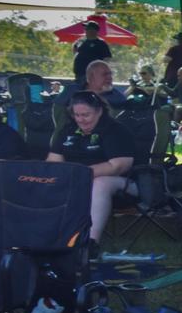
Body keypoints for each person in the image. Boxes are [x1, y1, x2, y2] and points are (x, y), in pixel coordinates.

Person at [46, 90, 134, 245]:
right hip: (73, 180)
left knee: (99, 183)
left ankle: (90, 243)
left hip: (123, 183)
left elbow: (119, 166)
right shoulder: (68, 130)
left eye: (86, 115)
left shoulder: (115, 130)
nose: (81, 120)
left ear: (99, 111)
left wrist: (80, 175)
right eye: (77, 115)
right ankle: (44, 236)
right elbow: (53, 161)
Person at [71, 20, 112, 84]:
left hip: (92, 76)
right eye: (85, 29)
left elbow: (107, 59)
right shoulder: (81, 41)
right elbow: (75, 50)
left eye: (87, 28)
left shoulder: (101, 43)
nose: (85, 30)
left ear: (94, 30)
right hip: (79, 75)